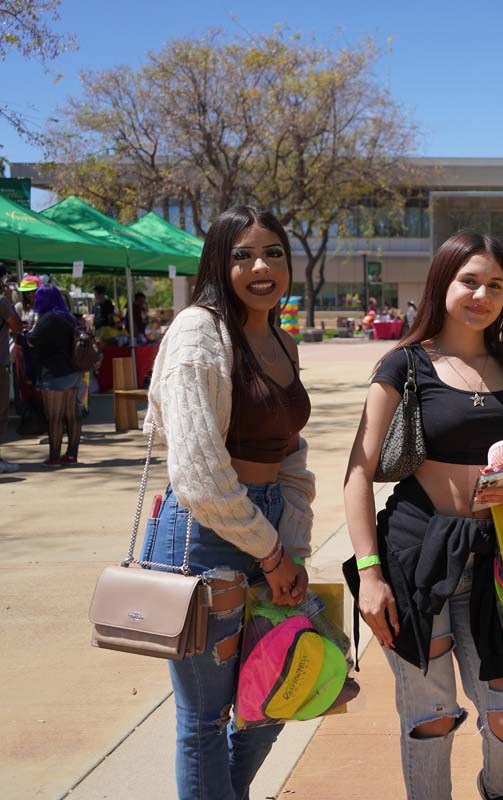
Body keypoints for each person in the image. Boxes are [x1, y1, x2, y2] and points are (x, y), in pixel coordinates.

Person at [343, 231, 503, 800]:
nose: (483, 295)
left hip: (493, 563)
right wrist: (370, 574)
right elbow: (358, 473)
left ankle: (497, 791)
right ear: (442, 283)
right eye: (469, 281)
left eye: (495, 285)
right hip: (416, 560)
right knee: (431, 718)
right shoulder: (403, 364)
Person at [142, 206, 315, 799]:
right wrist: (272, 553)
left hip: (269, 532)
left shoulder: (282, 342)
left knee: (276, 696)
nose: (261, 267)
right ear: (219, 263)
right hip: (204, 536)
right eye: (243, 256)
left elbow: (292, 454)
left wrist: (291, 545)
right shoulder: (198, 332)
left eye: (273, 253)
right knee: (206, 719)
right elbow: (198, 473)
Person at [27, 285, 84, 466]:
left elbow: (31, 340)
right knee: (72, 415)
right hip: (74, 372)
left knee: (54, 417)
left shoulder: (47, 319)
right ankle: (72, 455)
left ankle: (54, 457)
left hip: (54, 374)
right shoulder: (69, 317)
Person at [0, 270, 22, 472]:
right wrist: (8, 300)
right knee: (1, 411)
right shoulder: (2, 301)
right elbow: (17, 327)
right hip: (0, 363)